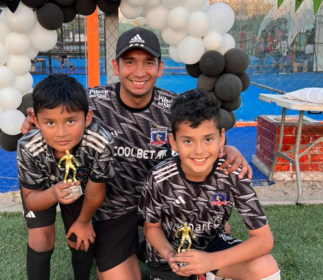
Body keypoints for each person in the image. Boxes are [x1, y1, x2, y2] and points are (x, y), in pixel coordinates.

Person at [21, 27, 252, 280]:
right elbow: (54, 112)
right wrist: (33, 124)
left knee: (217, 224)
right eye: (130, 62)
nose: (139, 72)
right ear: (116, 66)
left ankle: (152, 246)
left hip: (164, 206)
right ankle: (138, 246)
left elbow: (206, 136)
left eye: (148, 62)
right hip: (113, 210)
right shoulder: (91, 102)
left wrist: (228, 149)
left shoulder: (175, 108)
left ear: (160, 68)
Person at [139, 89, 280, 280]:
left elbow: (264, 240)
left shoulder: (233, 173)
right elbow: (151, 228)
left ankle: (209, 274)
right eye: (188, 140)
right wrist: (170, 255)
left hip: (213, 250)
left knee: (266, 266)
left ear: (221, 138)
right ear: (173, 141)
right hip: (170, 259)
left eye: (208, 139)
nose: (199, 151)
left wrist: (211, 261)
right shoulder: (159, 177)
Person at [17, 74, 114, 280]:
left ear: (87, 117)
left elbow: (96, 192)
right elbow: (31, 200)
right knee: (40, 238)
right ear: (36, 120)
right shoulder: (28, 147)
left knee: (79, 238)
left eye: (70, 121)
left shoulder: (101, 143)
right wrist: (53, 193)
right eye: (50, 122)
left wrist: (84, 221)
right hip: (43, 190)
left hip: (81, 190)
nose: (61, 132)